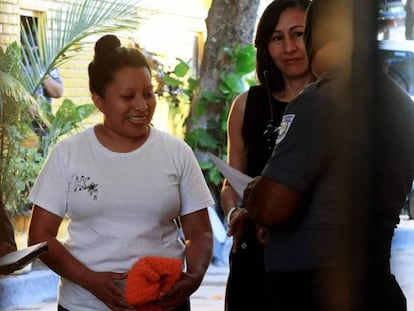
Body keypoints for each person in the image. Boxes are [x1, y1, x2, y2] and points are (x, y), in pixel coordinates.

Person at [244, 0, 414, 310]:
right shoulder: (401, 103)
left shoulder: (321, 99)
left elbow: (272, 207)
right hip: (376, 282)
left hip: (314, 289)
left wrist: (254, 189)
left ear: (315, 33)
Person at [27, 34, 214, 311]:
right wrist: (90, 281)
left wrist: (194, 276)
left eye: (149, 93)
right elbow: (41, 236)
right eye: (127, 96)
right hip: (84, 306)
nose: (141, 106)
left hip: (163, 304)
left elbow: (199, 232)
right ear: (98, 100)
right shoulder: (69, 154)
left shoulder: (176, 153)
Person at [220, 0, 313, 310]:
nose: (288, 47)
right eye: (276, 37)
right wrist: (235, 213)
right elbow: (231, 181)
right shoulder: (247, 105)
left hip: (313, 255)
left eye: (298, 34)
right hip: (254, 253)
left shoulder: (335, 105)